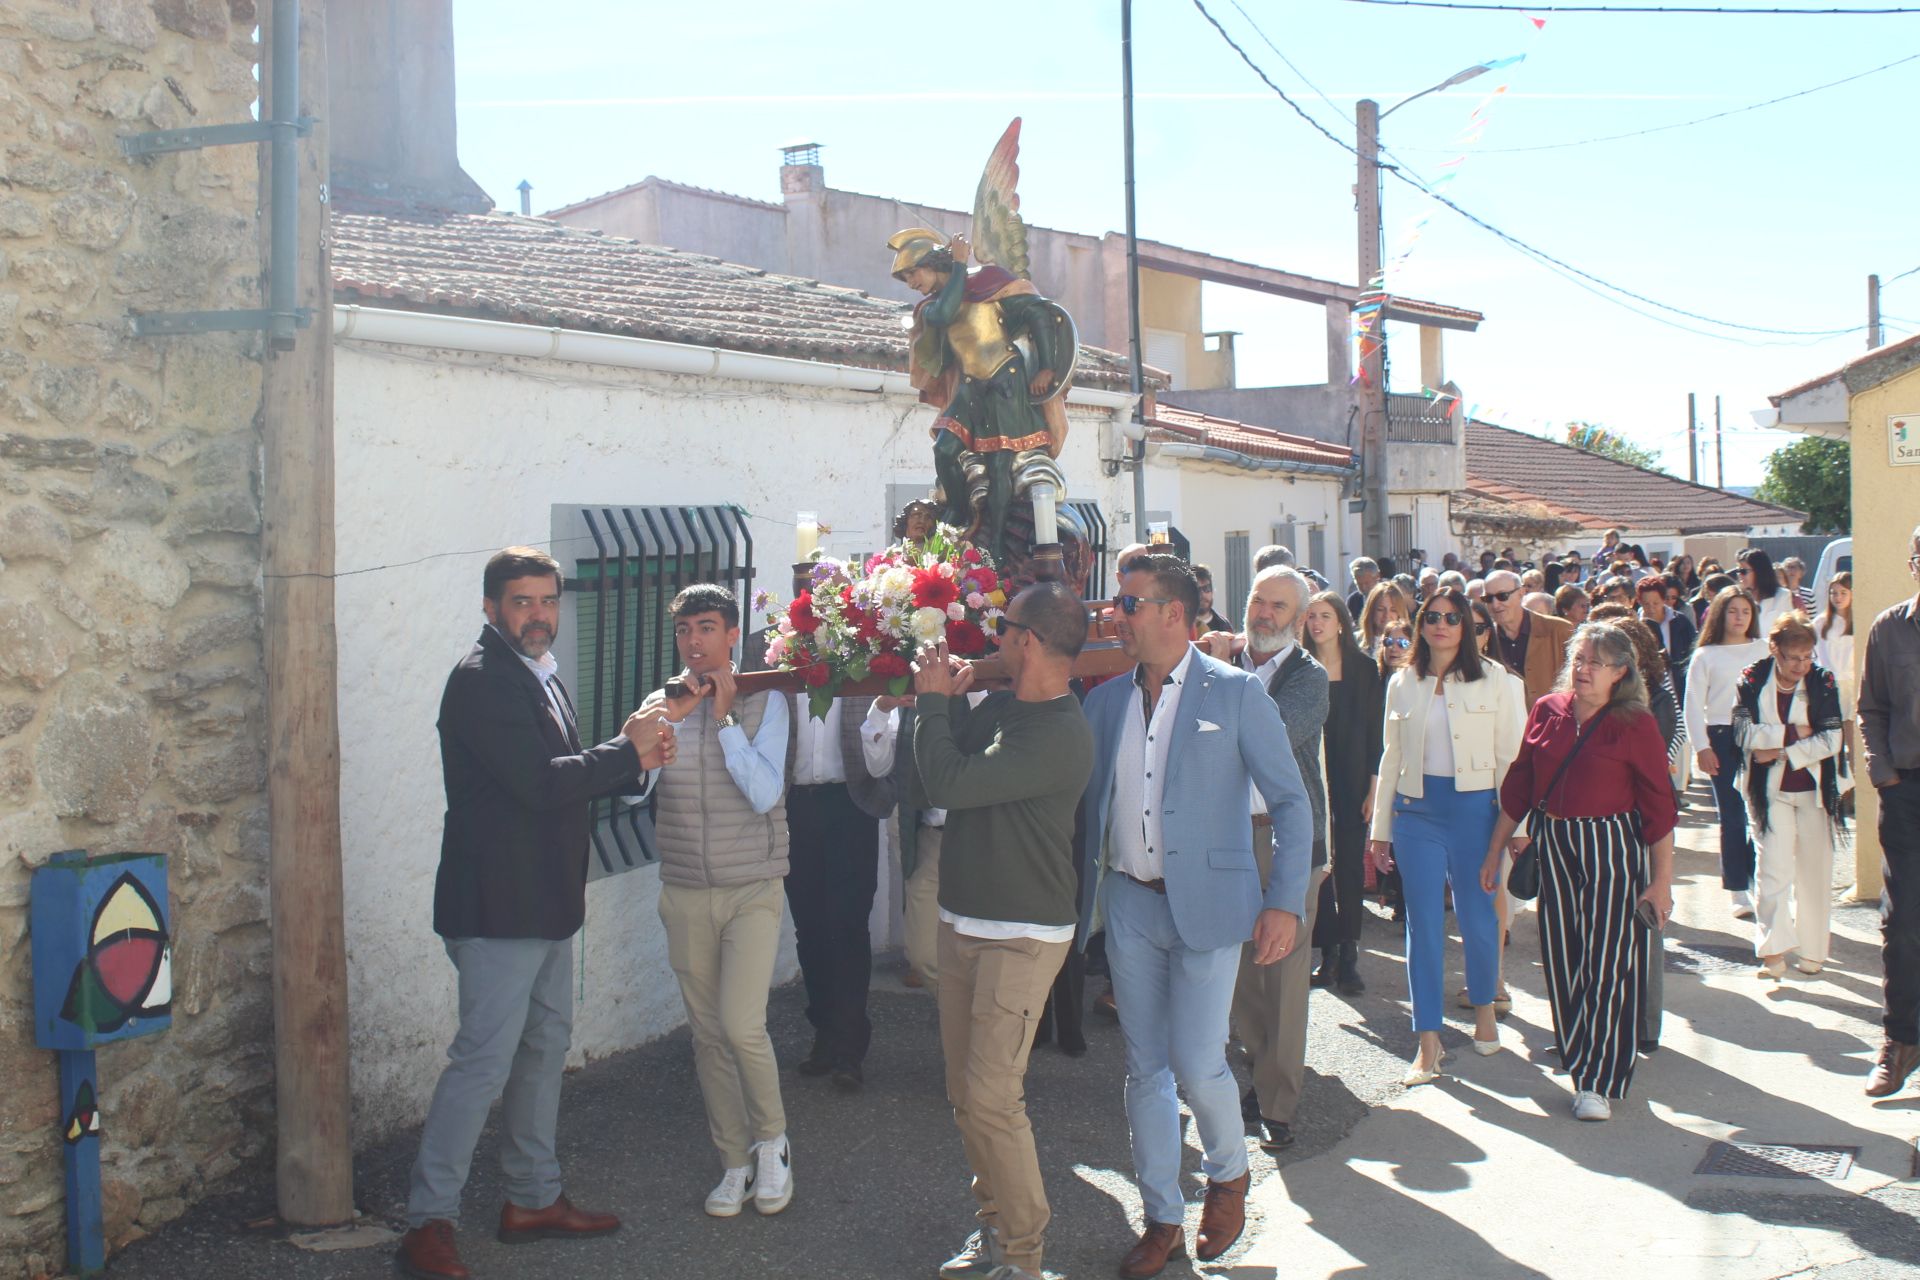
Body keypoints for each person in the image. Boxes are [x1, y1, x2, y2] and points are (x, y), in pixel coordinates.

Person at [398, 549, 672, 1280]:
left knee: (543, 1048)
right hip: (495, 908)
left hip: (547, 902)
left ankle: (532, 1199)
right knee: (482, 1063)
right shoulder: (482, 680)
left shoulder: (537, 675)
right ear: (491, 609)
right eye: (522, 602)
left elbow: (566, 784)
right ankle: (428, 1222)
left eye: (548, 601)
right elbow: (536, 784)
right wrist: (628, 750)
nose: (539, 615)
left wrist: (634, 759)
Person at [1078, 555, 1311, 1277]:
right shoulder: (1106, 701)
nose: (1117, 613)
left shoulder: (1236, 693)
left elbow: (1293, 803)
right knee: (1144, 1069)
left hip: (1212, 905)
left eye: (1129, 602)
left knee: (1196, 1061)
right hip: (1129, 903)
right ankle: (1162, 1218)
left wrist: (1285, 903)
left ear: (1172, 614)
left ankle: (1228, 1171)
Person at [911, 582, 1095, 1280]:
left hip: (1022, 934)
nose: (993, 636)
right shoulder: (1007, 706)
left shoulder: (1060, 733)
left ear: (1031, 641)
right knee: (966, 1095)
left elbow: (948, 784)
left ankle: (1024, 1258)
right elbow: (949, 753)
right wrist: (947, 703)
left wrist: (933, 702)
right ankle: (993, 1228)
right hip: (965, 921)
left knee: (992, 1097)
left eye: (1004, 626)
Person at [640, 584, 804, 1216]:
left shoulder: (765, 702)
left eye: (706, 627)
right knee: (708, 1036)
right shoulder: (660, 705)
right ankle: (733, 1160)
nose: (695, 641)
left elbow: (765, 794)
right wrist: (654, 751)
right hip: (684, 889)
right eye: (684, 630)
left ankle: (772, 1145)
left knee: (742, 1025)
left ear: (733, 635)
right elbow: (632, 792)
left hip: (751, 888)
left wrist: (725, 720)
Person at [1483, 622, 1677, 1122]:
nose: (1583, 669)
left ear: (1620, 672)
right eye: (1579, 659)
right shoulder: (1547, 712)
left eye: (1595, 661)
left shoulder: (1634, 724)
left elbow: (1659, 808)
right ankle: (1577, 1049)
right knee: (1563, 953)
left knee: (1608, 958)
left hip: (1612, 843)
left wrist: (1661, 882)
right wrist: (1494, 853)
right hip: (1556, 843)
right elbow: (1519, 786)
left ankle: (1599, 1079)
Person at [1367, 585, 1527, 1086]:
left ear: (1468, 627)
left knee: (1480, 917)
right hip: (1416, 814)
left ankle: (1484, 1012)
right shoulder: (1401, 683)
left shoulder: (1499, 682)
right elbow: (1390, 757)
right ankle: (1428, 1042)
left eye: (1453, 618)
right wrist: (1380, 831)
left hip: (1477, 813)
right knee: (1422, 924)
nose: (1440, 625)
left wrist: (1518, 829)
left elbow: (1514, 761)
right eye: (1432, 616)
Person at [1219, 567, 1328, 1154]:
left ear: (1299, 619)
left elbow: (1267, 738)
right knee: (1242, 970)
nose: (1263, 614)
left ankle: (1280, 1103)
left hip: (1289, 838)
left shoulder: (1308, 678)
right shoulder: (1222, 667)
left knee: (1283, 971)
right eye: (1258, 601)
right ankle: (1258, 1078)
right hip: (1232, 836)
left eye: (1278, 606)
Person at [1732, 612, 1847, 980]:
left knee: (1814, 872)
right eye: (1793, 657)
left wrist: (1781, 750)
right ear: (1775, 651)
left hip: (1815, 792)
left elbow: (1832, 739)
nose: (1801, 665)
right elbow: (1742, 733)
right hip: (1769, 793)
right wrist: (1793, 731)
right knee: (1772, 870)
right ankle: (1774, 950)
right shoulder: (1752, 677)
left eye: (1807, 656)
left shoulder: (1823, 680)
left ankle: (1813, 952)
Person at [1859, 524, 1920, 1097]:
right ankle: (1900, 1043)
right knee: (1904, 923)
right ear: (1912, 563)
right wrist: (1884, 773)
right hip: (1908, 792)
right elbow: (1870, 708)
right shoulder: (1889, 628)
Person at [1304, 590, 1384, 997]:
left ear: (1340, 622)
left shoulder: (1365, 669)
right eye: (1311, 615)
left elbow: (1376, 736)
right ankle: (1328, 954)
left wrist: (1374, 788)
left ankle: (1349, 955)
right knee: (1318, 868)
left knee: (1350, 868)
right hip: (1312, 782)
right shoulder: (1299, 669)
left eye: (1325, 615)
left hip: (1354, 781)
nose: (1317, 623)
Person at [1683, 586, 1769, 921]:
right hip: (1720, 736)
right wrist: (1701, 747)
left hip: (1760, 735)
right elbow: (1692, 705)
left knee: (1762, 814)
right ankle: (1737, 888)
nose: (1739, 618)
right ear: (1720, 614)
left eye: (1746, 611)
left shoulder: (1764, 649)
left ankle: (1762, 880)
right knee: (1732, 816)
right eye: (1733, 611)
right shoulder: (1706, 655)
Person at [1484, 569, 1576, 709]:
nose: (1495, 604)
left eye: (1502, 596)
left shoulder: (1559, 630)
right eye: (1489, 599)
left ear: (1521, 593)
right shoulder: (1484, 639)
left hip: (1553, 722)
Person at [1636, 574, 1697, 706]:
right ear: (1639, 602)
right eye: (1646, 604)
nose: (1651, 608)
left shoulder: (1680, 622)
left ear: (1664, 600)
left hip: (1679, 687)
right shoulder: (1635, 625)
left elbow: (1693, 652)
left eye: (1656, 603)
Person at [1738, 548, 1796, 632]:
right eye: (1738, 571)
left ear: (1759, 571)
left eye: (1743, 571)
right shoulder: (1741, 598)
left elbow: (1789, 631)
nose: (1740, 575)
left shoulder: (1782, 596)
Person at [1359, 580, 1413, 658]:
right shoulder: (1356, 643)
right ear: (1371, 611)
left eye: (1393, 610)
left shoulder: (1412, 644)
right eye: (1380, 609)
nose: (1387, 615)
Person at [1192, 563, 1235, 634]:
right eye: (1197, 590)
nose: (1202, 594)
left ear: (1212, 590)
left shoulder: (1224, 625)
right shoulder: (1181, 626)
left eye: (1206, 588)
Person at [1347, 556, 1381, 620]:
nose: (1363, 588)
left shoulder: (1388, 597)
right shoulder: (1353, 601)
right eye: (1359, 584)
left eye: (1367, 583)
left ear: (1377, 576)